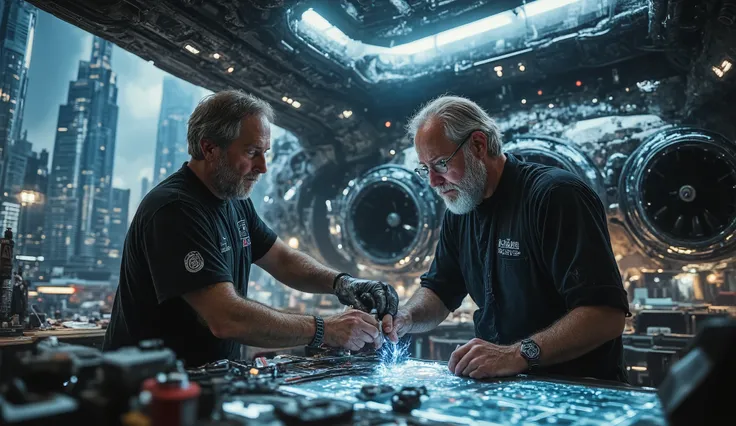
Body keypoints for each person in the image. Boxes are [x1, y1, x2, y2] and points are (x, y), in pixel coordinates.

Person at [103, 90, 398, 366]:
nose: (263, 167)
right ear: (209, 148)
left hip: (204, 382)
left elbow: (283, 259)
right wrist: (325, 329)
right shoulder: (175, 209)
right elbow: (226, 317)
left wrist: (343, 284)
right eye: (252, 152)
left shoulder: (234, 200)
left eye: (265, 152)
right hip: (148, 392)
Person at [383, 95, 630, 382]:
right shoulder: (460, 210)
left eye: (440, 164)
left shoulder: (555, 196)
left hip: (578, 389)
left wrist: (516, 355)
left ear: (478, 145)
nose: (433, 182)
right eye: (426, 169)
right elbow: (440, 290)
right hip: (502, 390)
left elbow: (606, 316)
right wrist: (406, 318)